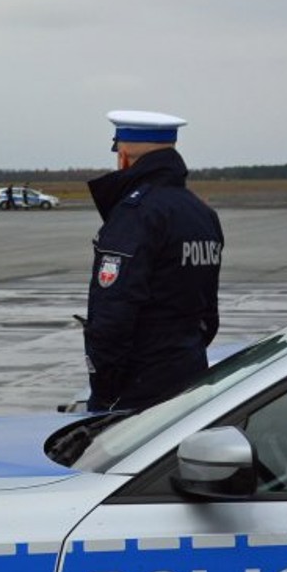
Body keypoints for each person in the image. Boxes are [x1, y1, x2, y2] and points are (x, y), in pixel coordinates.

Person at [83, 109, 224, 412]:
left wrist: (105, 391)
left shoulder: (137, 215)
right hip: (189, 374)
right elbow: (208, 316)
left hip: (139, 389)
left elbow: (112, 316)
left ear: (123, 156)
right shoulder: (201, 214)